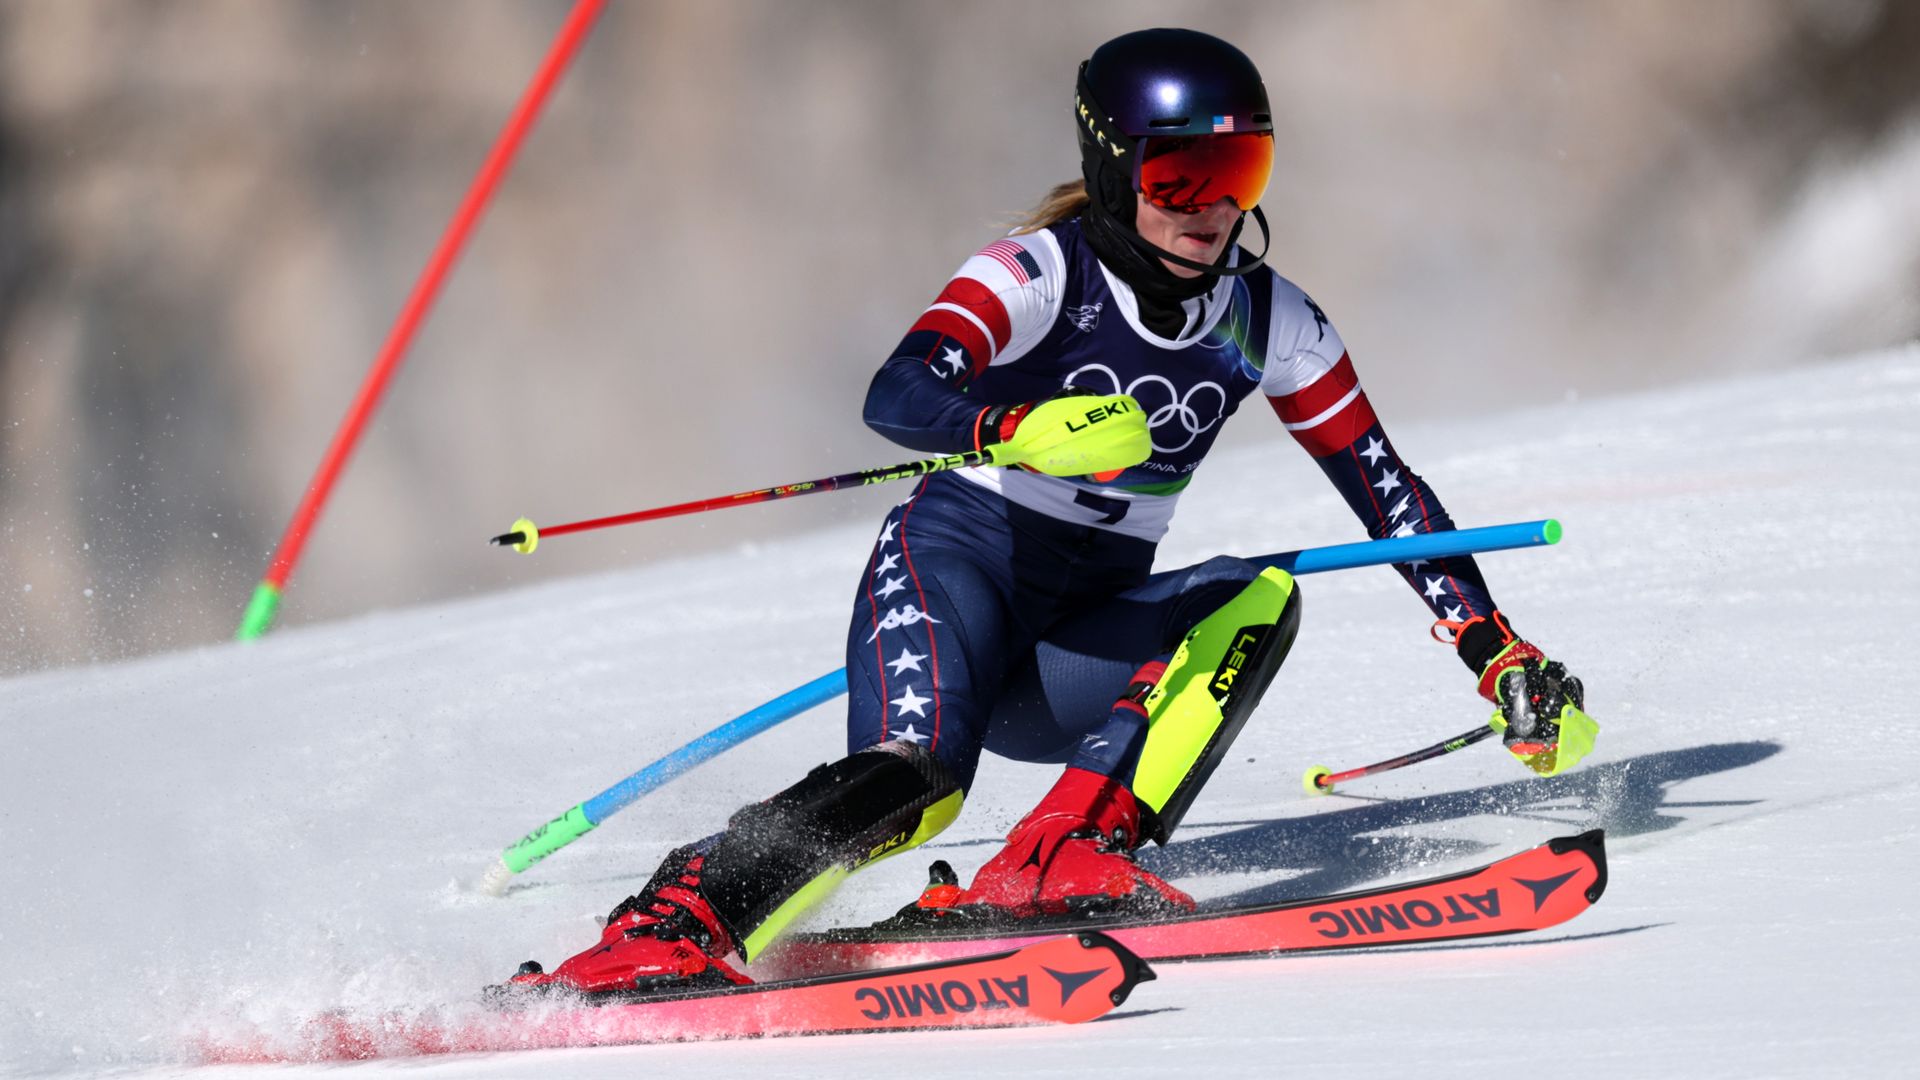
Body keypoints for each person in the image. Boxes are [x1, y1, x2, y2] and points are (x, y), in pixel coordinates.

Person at [512, 27, 1597, 994]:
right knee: (918, 783)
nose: (1211, 208)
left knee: (1256, 598)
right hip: (959, 564)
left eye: (1239, 170)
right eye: (1178, 175)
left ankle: (1057, 857)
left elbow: (1386, 488)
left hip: (1080, 637)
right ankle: (678, 916)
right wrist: (1011, 423)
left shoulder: (1272, 320)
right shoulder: (1038, 273)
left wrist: (1493, 651)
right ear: (1116, 170)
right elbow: (898, 392)